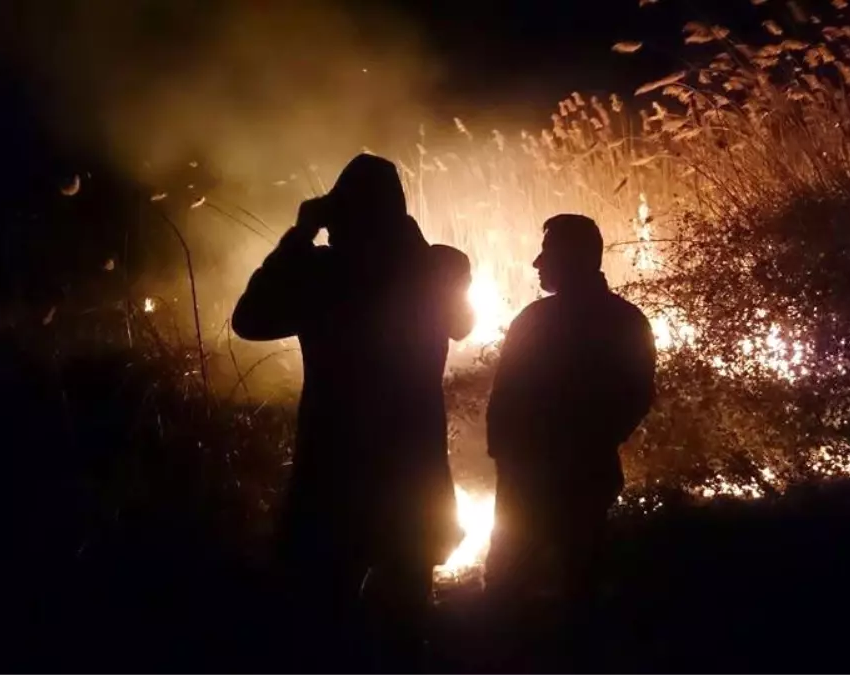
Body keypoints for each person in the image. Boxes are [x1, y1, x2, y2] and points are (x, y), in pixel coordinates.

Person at [232, 154, 474, 673]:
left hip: (333, 466)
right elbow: (462, 323)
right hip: (412, 467)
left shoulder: (321, 274)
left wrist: (299, 236)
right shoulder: (438, 267)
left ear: (339, 214)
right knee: (405, 619)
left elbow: (249, 320)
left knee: (325, 618)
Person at [484, 214, 656, 669]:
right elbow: (637, 396)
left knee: (508, 586)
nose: (537, 262)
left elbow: (506, 398)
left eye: (549, 251)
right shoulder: (625, 320)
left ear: (575, 258)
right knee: (579, 584)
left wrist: (511, 455)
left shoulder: (536, 322)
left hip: (536, 477)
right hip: (581, 474)